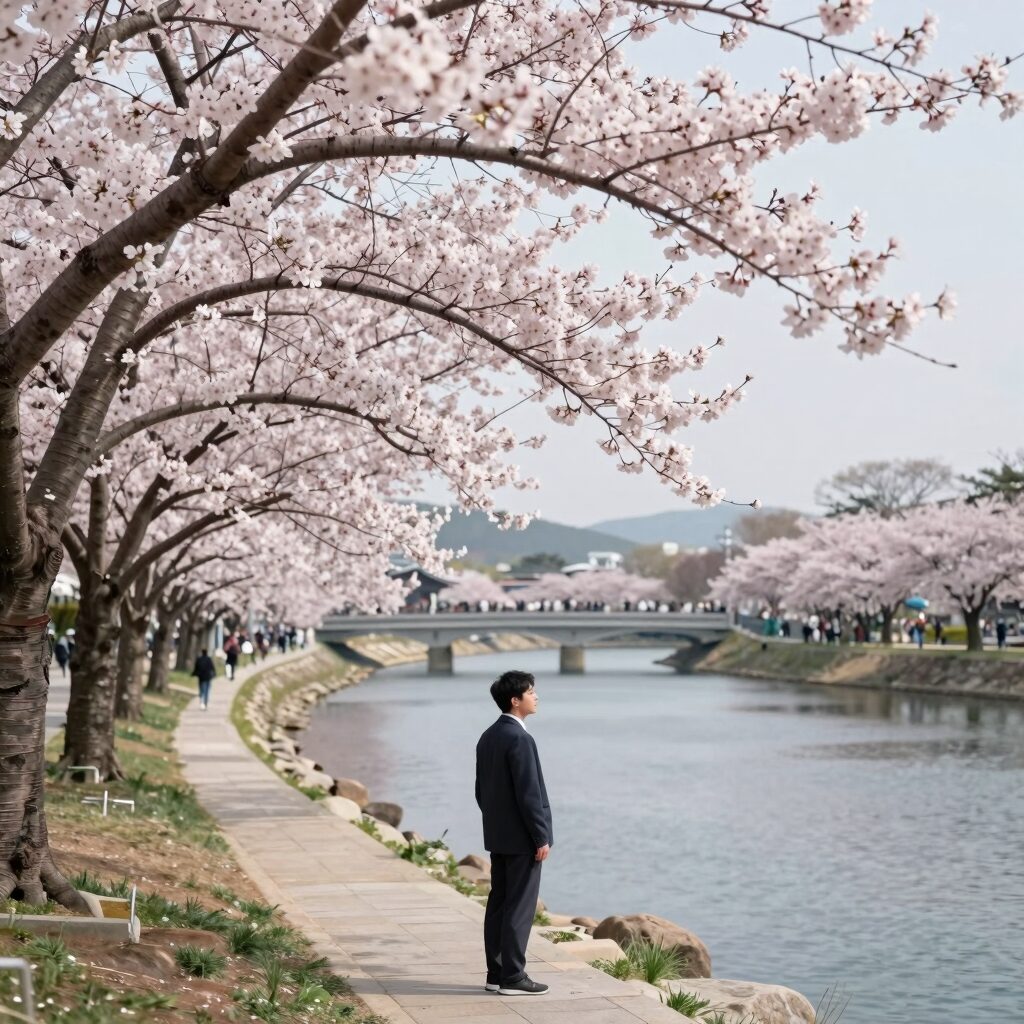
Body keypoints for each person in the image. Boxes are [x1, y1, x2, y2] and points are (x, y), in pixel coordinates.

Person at [475, 671, 552, 997]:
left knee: (499, 905)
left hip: (498, 836)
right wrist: (540, 836)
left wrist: (497, 823)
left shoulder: (489, 735)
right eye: (531, 692)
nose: (536, 697)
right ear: (515, 700)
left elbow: (481, 791)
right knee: (519, 907)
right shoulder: (520, 738)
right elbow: (529, 795)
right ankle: (514, 977)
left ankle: (496, 973)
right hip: (522, 839)